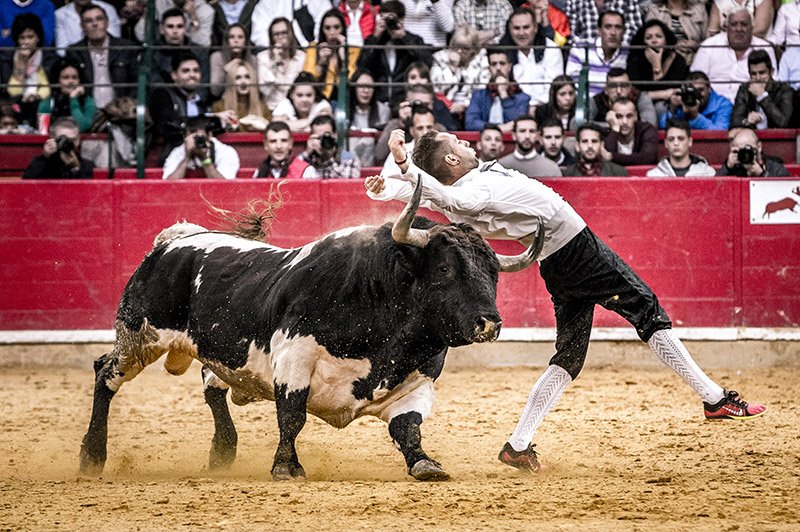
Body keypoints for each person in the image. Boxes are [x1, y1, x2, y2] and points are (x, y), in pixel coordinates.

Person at [365, 128, 767, 472]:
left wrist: (394, 176)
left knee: (569, 356)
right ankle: (714, 398)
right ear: (452, 158)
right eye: (459, 143)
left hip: (556, 260)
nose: (469, 143)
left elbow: (415, 190)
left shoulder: (455, 185)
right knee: (648, 311)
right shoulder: (470, 189)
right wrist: (403, 165)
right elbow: (453, 199)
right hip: (579, 250)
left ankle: (518, 445)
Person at [691, 9, 776, 104]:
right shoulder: (708, 46)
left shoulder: (765, 48)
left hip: (751, 107)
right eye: (733, 24)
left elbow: (772, 84)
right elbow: (695, 81)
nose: (739, 29)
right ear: (726, 27)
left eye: (744, 24)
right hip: (713, 109)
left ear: (752, 28)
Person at [355, 0, 432, 103]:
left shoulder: (414, 40)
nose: (389, 23)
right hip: (379, 100)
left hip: (404, 99)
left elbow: (427, 62)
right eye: (384, 18)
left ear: (401, 19)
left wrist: (404, 38)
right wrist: (375, 37)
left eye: (391, 18)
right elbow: (361, 66)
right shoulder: (375, 41)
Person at [65, 4, 141, 108]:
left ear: (107, 22)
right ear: (82, 26)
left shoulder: (126, 48)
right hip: (88, 113)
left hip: (121, 112)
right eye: (88, 21)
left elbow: (136, 84)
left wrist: (124, 107)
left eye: (99, 19)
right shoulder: (74, 52)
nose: (95, 24)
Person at [0, 14, 58, 129]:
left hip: (41, 106)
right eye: (22, 38)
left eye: (30, 37)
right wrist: (21, 63)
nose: (26, 42)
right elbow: (11, 92)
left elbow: (51, 89)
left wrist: (37, 97)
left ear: (38, 38)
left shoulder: (50, 59)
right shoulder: (5, 58)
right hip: (13, 108)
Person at [502, 7, 564, 107]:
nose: (521, 33)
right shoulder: (502, 52)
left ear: (535, 28)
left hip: (545, 108)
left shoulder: (551, 48)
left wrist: (533, 106)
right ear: (510, 29)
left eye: (526, 27)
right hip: (513, 108)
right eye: (516, 28)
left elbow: (553, 89)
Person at [626, 20, 689, 114]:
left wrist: (656, 65)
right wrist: (657, 66)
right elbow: (637, 94)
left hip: (671, 107)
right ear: (642, 41)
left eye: (659, 36)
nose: (654, 40)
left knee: (660, 106)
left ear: (666, 39)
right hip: (640, 107)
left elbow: (674, 91)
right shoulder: (635, 60)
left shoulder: (678, 60)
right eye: (648, 37)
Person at [430, 25, 490, 119]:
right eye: (456, 46)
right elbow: (438, 89)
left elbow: (481, 88)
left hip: (471, 107)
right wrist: (451, 68)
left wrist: (465, 105)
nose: (459, 51)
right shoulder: (440, 57)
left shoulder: (481, 58)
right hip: (445, 107)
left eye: (465, 48)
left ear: (474, 49)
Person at [464, 48, 531, 133]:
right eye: (494, 64)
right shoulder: (479, 95)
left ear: (509, 67)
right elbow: (470, 123)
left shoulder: (522, 98)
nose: (498, 68)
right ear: (489, 69)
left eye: (502, 63)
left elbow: (520, 125)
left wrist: (504, 95)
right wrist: (499, 128)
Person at [150, 8, 211, 100]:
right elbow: (155, 86)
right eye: (170, 26)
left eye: (179, 26)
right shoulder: (153, 53)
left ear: (185, 29)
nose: (175, 31)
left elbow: (203, 87)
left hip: (194, 104)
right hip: (165, 105)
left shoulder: (200, 52)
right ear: (162, 29)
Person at [566, 10, 629, 97]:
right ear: (599, 31)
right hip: (587, 104)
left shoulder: (629, 52)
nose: (613, 33)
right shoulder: (580, 48)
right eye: (608, 27)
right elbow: (572, 82)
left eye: (618, 27)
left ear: (623, 31)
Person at [303, 9, 360, 100]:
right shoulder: (313, 49)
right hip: (319, 99)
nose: (332, 32)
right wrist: (321, 63)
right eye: (327, 28)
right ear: (322, 30)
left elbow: (353, 82)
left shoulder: (353, 51)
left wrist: (344, 60)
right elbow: (307, 81)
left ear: (343, 29)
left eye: (336, 27)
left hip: (346, 100)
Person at [730, 50, 794, 130]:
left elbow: (784, 123)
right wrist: (747, 121)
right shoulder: (744, 90)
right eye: (753, 74)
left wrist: (762, 96)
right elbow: (734, 122)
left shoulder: (785, 91)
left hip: (777, 139)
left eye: (762, 73)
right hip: (751, 138)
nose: (758, 78)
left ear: (771, 72)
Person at [162, 117, 240, 179]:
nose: (197, 140)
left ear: (209, 136)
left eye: (200, 137)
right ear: (184, 136)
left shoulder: (225, 152)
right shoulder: (178, 152)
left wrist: (205, 159)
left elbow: (223, 187)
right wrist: (186, 158)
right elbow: (169, 185)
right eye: (192, 134)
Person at [256, 17, 307, 112]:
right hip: (271, 109)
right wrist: (274, 64)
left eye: (284, 33)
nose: (280, 37)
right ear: (271, 37)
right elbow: (265, 91)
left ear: (291, 34)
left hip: (297, 110)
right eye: (276, 34)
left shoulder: (302, 57)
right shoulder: (263, 57)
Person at [22, 116, 94, 179]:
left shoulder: (87, 165)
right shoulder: (45, 163)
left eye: (72, 140)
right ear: (52, 138)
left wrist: (75, 168)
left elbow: (86, 191)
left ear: (78, 140)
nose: (68, 143)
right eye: (63, 139)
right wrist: (44, 157)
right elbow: (27, 183)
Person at [658, 71, 733, 130]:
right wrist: (672, 109)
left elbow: (720, 133)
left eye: (701, 90)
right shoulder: (683, 101)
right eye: (693, 90)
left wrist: (695, 116)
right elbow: (663, 128)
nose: (698, 94)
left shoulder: (723, 104)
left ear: (709, 88)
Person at [37, 59, 97, 133]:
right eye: (65, 77)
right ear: (58, 81)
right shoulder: (48, 103)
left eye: (74, 77)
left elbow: (82, 127)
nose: (70, 81)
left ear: (80, 81)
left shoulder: (88, 101)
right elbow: (43, 132)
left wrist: (73, 99)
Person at [212, 60, 271, 132]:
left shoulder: (263, 108)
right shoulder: (219, 107)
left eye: (247, 77)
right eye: (238, 77)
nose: (243, 81)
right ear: (231, 81)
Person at [644, 0, 708, 65]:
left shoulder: (699, 8)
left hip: (696, 61)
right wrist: (673, 46)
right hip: (665, 62)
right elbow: (650, 42)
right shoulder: (655, 10)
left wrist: (695, 45)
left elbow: (708, 41)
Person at [590, 69, 659, 128]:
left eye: (623, 86)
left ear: (630, 88)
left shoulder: (640, 97)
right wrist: (612, 126)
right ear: (606, 89)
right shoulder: (596, 101)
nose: (619, 91)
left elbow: (650, 125)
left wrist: (615, 125)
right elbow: (585, 124)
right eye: (613, 86)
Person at [349, 69, 390, 166]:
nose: (366, 91)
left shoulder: (383, 110)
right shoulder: (345, 111)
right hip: (350, 163)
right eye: (362, 86)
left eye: (370, 87)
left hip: (374, 162)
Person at [250, 0, 333, 49]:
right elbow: (259, 34)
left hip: (313, 54)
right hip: (277, 54)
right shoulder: (266, 3)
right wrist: (278, 47)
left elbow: (326, 24)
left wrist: (313, 48)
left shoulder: (320, 1)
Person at [299, 114, 361, 179]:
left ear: (335, 135)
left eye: (326, 137)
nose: (322, 141)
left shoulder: (349, 159)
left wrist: (328, 159)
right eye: (318, 137)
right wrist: (306, 153)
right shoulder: (309, 159)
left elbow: (346, 185)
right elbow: (293, 175)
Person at [382, 103, 436, 176]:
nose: (425, 132)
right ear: (411, 131)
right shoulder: (397, 152)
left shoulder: (445, 152)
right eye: (420, 128)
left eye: (429, 127)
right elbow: (386, 182)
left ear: (435, 129)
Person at [646, 119, 715, 176]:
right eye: (671, 139)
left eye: (681, 139)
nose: (676, 143)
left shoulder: (708, 173)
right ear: (666, 143)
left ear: (690, 141)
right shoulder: (654, 175)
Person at [498, 116, 562, 177]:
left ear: (537, 136)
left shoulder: (551, 168)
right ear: (514, 135)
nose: (527, 136)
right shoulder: (500, 166)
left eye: (532, 131)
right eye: (522, 131)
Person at [603, 98, 659, 166]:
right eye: (619, 116)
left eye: (629, 116)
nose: (624, 122)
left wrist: (612, 157)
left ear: (635, 116)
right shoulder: (606, 133)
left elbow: (648, 158)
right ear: (611, 117)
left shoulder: (646, 129)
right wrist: (614, 130)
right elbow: (606, 163)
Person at [135, 0, 215, 46]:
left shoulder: (206, 11)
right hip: (162, 52)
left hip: (190, 55)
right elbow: (141, 35)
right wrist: (147, 14)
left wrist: (193, 17)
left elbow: (203, 45)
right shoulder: (159, 2)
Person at [209, 23, 258, 99]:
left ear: (245, 41)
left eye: (240, 37)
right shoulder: (217, 57)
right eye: (232, 37)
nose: (236, 40)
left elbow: (255, 89)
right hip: (222, 102)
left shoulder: (252, 59)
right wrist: (226, 71)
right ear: (227, 41)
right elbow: (215, 91)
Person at [717, 128, 791, 177]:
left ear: (759, 147)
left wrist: (762, 174)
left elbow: (783, 191)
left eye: (748, 148)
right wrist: (727, 167)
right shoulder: (734, 167)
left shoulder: (775, 166)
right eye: (741, 150)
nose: (745, 153)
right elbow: (715, 189)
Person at [562, 122, 628, 176]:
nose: (590, 146)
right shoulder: (567, 174)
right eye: (585, 141)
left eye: (594, 141)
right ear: (577, 146)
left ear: (601, 145)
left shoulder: (618, 172)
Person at [55, 0, 121, 52]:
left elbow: (115, 43)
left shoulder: (108, 9)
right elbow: (61, 49)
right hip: (75, 61)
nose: (95, 24)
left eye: (99, 19)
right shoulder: (60, 14)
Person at [566, 0, 641, 44]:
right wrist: (589, 49)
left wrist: (614, 47)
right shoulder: (574, 1)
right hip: (585, 55)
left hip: (621, 56)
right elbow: (570, 32)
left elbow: (635, 28)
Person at [708, 0, 772, 40]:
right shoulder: (719, 2)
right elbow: (713, 31)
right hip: (724, 47)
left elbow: (760, 30)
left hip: (756, 49)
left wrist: (735, 40)